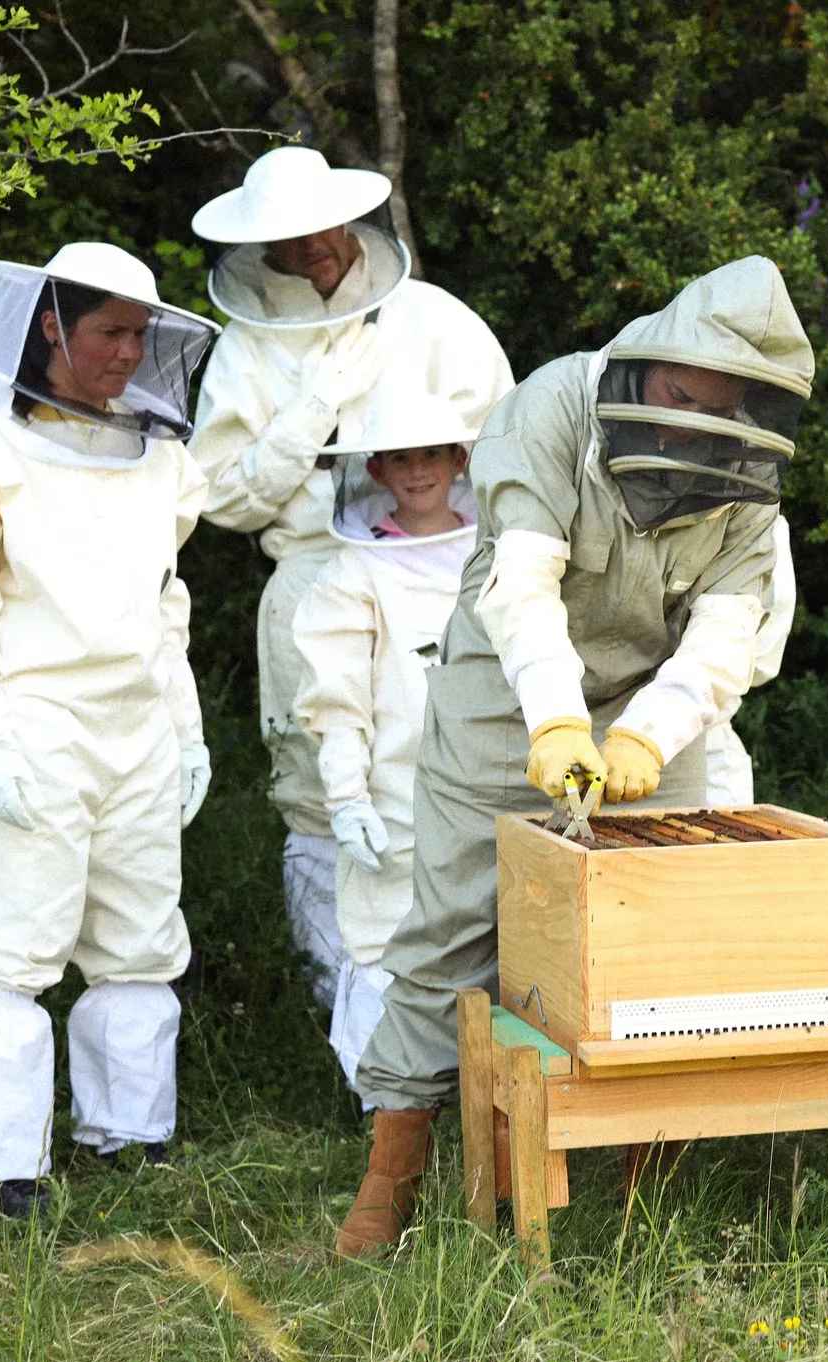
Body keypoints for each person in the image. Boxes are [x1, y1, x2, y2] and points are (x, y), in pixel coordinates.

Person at [333, 255, 811, 1258]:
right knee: (454, 929)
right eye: (678, 397)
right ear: (652, 360)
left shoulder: (746, 485)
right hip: (504, 692)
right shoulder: (552, 406)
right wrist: (556, 723)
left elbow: (723, 640)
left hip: (650, 708)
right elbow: (519, 584)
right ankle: (390, 1180)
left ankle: (646, 1192)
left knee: (661, 934)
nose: (685, 425)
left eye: (714, 407)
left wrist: (645, 734)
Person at [0, 243, 219, 1217]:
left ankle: (128, 1136)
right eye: (108, 330)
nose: (128, 352)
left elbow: (165, 604)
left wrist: (186, 724)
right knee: (11, 943)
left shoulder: (159, 453)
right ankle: (2, 1168)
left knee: (138, 938)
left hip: (137, 727)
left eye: (139, 333)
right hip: (29, 720)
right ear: (49, 326)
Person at [187, 146, 513, 1006]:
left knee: (466, 777)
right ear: (262, 249)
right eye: (287, 241)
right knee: (321, 791)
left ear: (346, 218)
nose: (308, 251)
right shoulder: (247, 345)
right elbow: (219, 496)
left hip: (445, 573)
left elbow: (507, 455)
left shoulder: (435, 320)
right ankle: (350, 1026)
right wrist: (309, 415)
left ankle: (467, 1017)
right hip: (314, 580)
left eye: (317, 231)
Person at [290, 390, 491, 1093]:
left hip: (488, 789)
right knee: (383, 942)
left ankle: (468, 1099)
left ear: (459, 459)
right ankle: (381, 1105)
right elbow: (337, 700)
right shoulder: (354, 573)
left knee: (482, 942)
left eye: (431, 454)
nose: (417, 471)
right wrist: (345, 797)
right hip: (394, 792)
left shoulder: (494, 555)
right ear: (375, 470)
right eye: (400, 457)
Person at [701, 514, 795, 805]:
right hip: (711, 759)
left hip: (708, 761)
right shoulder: (764, 524)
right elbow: (760, 661)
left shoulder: (762, 525)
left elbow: (759, 660)